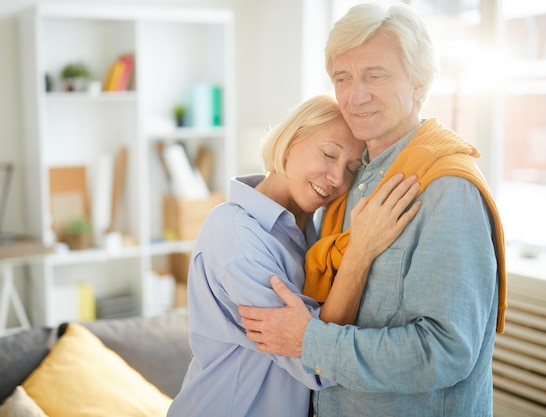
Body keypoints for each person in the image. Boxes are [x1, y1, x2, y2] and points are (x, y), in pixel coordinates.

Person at [239, 3, 507, 417]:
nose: (354, 96)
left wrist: (310, 342)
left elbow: (445, 352)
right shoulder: (346, 184)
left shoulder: (446, 189)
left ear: (419, 84)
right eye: (342, 78)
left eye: (375, 76)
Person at [167, 94, 421, 417]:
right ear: (290, 142)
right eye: (329, 154)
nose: (337, 179)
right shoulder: (236, 237)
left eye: (351, 169)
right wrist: (361, 252)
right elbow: (318, 364)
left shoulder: (313, 234)